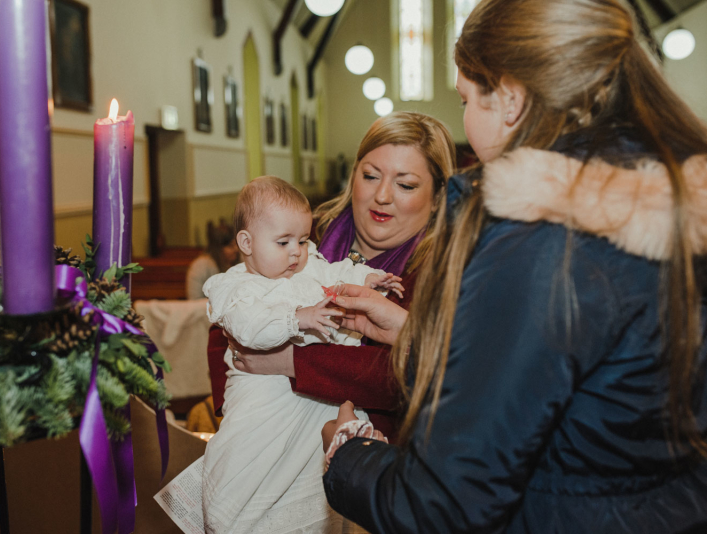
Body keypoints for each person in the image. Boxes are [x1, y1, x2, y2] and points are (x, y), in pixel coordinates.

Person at [319, 1, 707, 532]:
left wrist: (348, 455)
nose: (465, 117)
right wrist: (416, 338)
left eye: (464, 98)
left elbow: (444, 504)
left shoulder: (544, 236)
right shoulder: (671, 203)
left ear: (509, 99)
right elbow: (592, 395)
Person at [206, 112, 456, 445]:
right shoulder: (304, 231)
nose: (382, 195)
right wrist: (241, 413)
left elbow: (406, 375)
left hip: (368, 453)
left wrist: (291, 360)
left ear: (439, 196)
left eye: (405, 184)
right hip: (263, 427)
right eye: (370, 175)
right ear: (353, 174)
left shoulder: (443, 272)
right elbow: (231, 309)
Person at [202, 176, 400, 533]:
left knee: (306, 481)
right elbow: (246, 327)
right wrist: (298, 318)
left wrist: (368, 278)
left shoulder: (307, 266)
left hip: (316, 406)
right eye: (284, 242)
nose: (297, 251)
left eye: (303, 240)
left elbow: (337, 273)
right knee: (249, 465)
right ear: (246, 242)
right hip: (263, 399)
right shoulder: (233, 285)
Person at [185, 219, 239, 300]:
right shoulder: (201, 266)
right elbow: (194, 301)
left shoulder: (239, 262)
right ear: (218, 248)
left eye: (236, 244)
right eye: (231, 246)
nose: (236, 249)